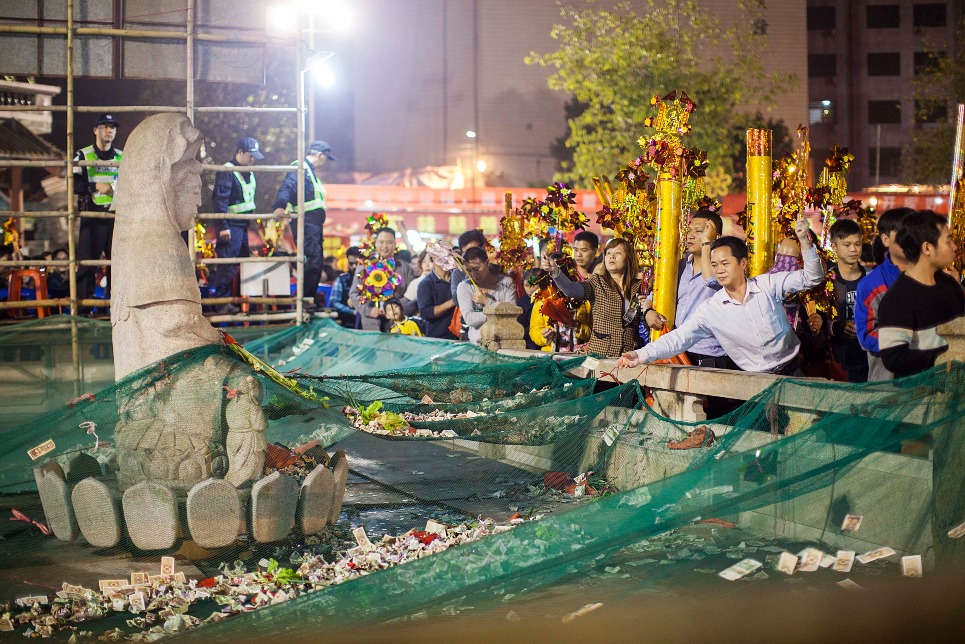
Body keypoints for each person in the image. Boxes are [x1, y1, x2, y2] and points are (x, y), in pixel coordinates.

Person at [618, 215, 824, 374]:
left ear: (742, 263)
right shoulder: (712, 309)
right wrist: (640, 355)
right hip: (755, 380)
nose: (719, 270)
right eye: (715, 265)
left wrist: (805, 242)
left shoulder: (767, 285)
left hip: (793, 370)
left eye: (725, 264)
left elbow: (812, 278)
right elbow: (679, 338)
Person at [878, 210, 964, 378]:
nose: (954, 247)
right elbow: (894, 358)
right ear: (927, 248)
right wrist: (947, 358)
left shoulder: (950, 285)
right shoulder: (897, 299)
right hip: (921, 396)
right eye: (948, 240)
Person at [545, 237, 644, 358]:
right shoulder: (597, 282)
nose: (612, 256)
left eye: (617, 253)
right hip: (598, 354)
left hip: (629, 356)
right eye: (608, 253)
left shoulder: (639, 286)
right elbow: (571, 289)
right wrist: (555, 272)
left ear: (628, 258)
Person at [272, 140, 335, 310]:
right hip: (306, 223)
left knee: (316, 261)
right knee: (312, 261)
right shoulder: (300, 168)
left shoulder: (309, 171)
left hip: (312, 224)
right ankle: (307, 300)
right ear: (320, 155)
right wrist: (280, 205)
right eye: (325, 158)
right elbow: (287, 186)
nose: (325, 163)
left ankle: (309, 299)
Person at [855, 208, 914, 381]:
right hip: (888, 383)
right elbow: (866, 335)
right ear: (886, 239)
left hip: (929, 381)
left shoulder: (933, 277)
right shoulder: (872, 284)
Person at [208, 137, 264, 313]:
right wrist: (223, 225)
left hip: (242, 226)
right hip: (230, 226)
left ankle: (241, 301)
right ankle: (222, 303)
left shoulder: (248, 172)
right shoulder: (227, 171)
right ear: (240, 152)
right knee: (227, 264)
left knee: (242, 263)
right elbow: (220, 200)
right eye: (250, 156)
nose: (253, 160)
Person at [74, 114, 122, 305]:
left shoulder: (122, 156)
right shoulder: (83, 155)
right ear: (95, 130)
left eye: (112, 127)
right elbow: (74, 185)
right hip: (92, 217)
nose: (109, 131)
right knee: (87, 264)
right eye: (104, 127)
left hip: (116, 217)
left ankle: (117, 306)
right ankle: (85, 308)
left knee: (117, 264)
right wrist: (94, 187)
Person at [349, 227, 417, 331]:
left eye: (389, 242)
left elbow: (410, 296)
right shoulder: (364, 267)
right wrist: (368, 310)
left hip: (397, 325)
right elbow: (354, 294)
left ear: (395, 244)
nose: (384, 246)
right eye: (381, 242)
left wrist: (394, 308)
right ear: (375, 244)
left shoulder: (405, 268)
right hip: (370, 324)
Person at [827, 218, 869, 382]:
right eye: (847, 245)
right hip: (837, 362)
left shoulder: (872, 278)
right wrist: (838, 327)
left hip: (868, 360)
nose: (853, 249)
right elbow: (819, 320)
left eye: (857, 244)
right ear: (834, 247)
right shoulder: (827, 281)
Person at [455, 246, 517, 345]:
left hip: (505, 343)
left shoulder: (506, 282)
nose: (473, 274)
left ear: (487, 263)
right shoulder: (464, 287)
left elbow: (512, 314)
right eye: (469, 270)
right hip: (478, 344)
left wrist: (487, 302)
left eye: (476, 269)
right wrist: (499, 313)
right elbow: (470, 319)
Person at [417, 249, 457, 339]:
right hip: (438, 338)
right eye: (442, 255)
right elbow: (426, 313)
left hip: (460, 337)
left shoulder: (458, 278)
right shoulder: (425, 284)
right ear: (434, 258)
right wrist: (451, 303)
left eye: (448, 255)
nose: (446, 258)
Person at [450, 229, 490, 303]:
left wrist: (487, 301)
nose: (470, 256)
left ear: (483, 248)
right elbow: (456, 300)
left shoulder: (497, 271)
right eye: (466, 252)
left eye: (474, 251)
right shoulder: (458, 273)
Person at [330, 246, 361, 327]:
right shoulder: (341, 280)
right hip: (347, 323)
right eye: (351, 263)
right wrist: (352, 312)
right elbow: (334, 303)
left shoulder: (369, 280)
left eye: (357, 263)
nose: (354, 266)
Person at [517, 267, 542, 350]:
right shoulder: (522, 303)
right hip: (531, 346)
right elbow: (521, 329)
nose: (528, 287)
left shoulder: (550, 297)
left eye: (533, 284)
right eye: (526, 285)